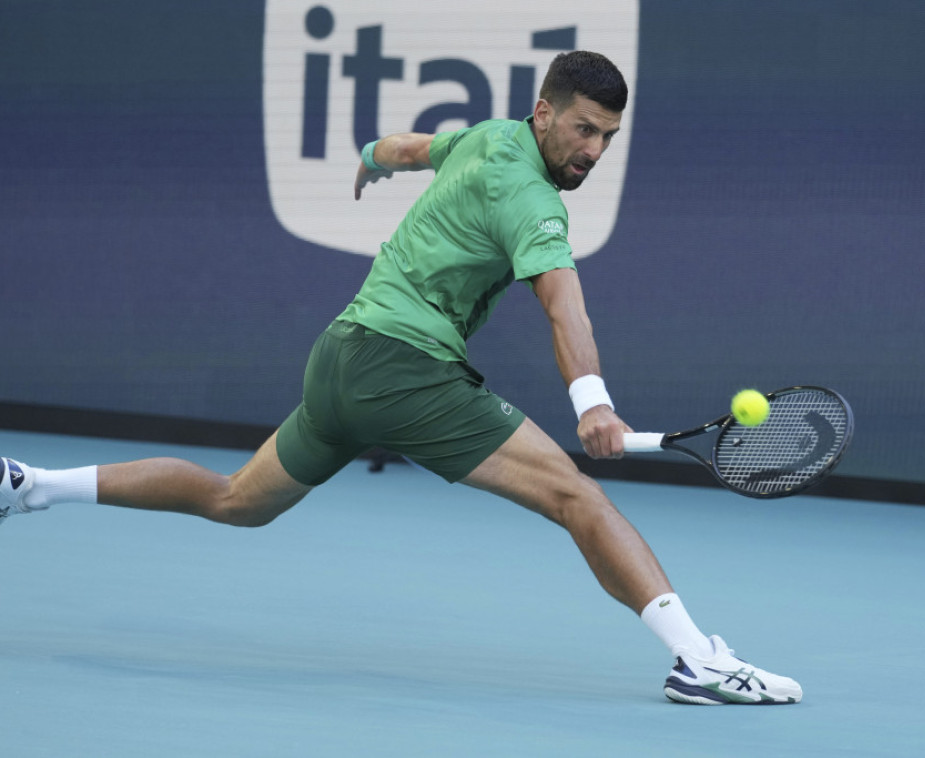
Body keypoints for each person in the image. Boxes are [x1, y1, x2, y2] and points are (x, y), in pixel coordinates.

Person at [1, 51, 801, 705]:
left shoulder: (489, 136)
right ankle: (697, 660)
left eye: (608, 137)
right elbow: (565, 308)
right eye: (583, 129)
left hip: (342, 355)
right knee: (577, 498)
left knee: (237, 500)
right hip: (402, 368)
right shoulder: (534, 201)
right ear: (544, 114)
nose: (592, 151)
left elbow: (412, 149)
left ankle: (31, 485)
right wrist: (593, 404)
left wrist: (369, 158)